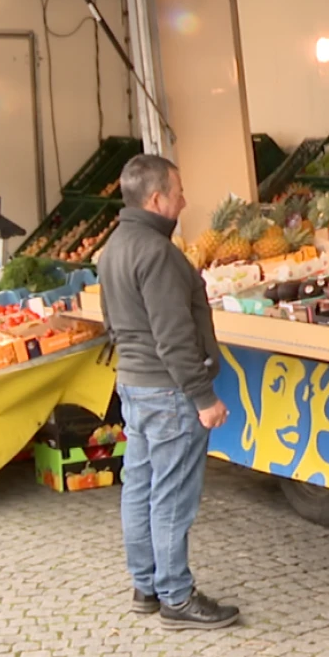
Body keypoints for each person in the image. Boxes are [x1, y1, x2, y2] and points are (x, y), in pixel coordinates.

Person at [97, 154, 239, 630]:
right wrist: (203, 397)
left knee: (138, 485)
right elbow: (173, 335)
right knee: (172, 496)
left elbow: (114, 323)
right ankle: (176, 596)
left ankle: (147, 585)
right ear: (156, 199)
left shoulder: (115, 245)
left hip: (134, 384)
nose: (185, 201)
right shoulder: (157, 253)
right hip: (168, 391)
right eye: (178, 192)